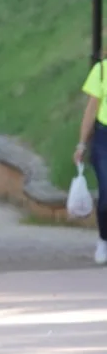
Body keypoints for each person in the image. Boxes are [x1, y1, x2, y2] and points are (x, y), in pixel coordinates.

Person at [73, 54, 107, 264]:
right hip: (104, 139)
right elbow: (91, 109)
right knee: (106, 192)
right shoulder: (102, 70)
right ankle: (104, 239)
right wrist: (82, 144)